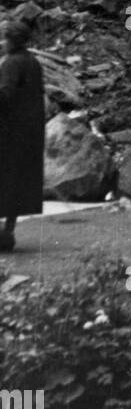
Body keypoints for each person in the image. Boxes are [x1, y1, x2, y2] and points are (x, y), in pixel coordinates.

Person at [0, 16, 45, 251]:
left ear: (12, 41)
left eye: (4, 38)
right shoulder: (33, 62)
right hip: (29, 131)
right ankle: (7, 231)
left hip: (8, 131)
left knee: (4, 178)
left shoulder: (11, 63)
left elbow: (5, 95)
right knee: (17, 181)